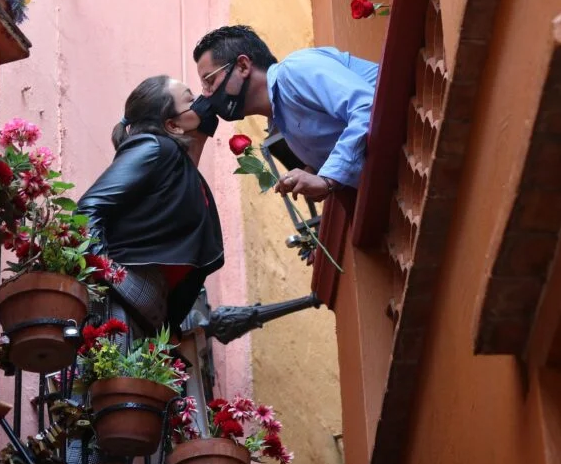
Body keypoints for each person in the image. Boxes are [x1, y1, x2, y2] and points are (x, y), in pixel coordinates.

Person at [76, 75, 224, 337]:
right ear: (172, 124)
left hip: (150, 311)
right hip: (124, 295)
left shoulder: (178, 164)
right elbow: (89, 208)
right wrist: (107, 272)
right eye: (190, 100)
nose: (200, 104)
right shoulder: (153, 146)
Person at [193, 25, 378, 201]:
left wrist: (328, 179)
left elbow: (367, 107)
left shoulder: (295, 70)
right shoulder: (279, 119)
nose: (207, 94)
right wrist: (314, 172)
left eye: (210, 80)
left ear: (243, 66)